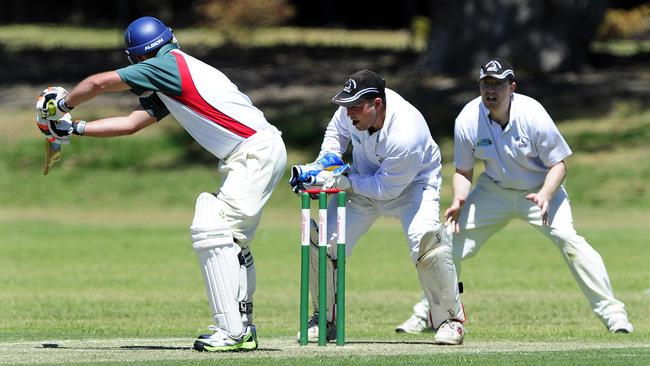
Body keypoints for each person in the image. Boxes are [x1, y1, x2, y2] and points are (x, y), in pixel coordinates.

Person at [39, 16, 287, 351]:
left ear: (138, 57)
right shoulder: (173, 72)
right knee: (229, 236)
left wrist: (61, 105)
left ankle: (232, 332)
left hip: (253, 152)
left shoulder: (166, 67)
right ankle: (241, 327)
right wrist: (73, 128)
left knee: (210, 225)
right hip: (258, 151)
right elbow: (131, 124)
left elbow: (98, 83)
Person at [395, 58, 633, 335]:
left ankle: (614, 316)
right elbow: (463, 170)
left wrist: (545, 194)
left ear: (512, 87)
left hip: (540, 191)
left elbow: (559, 165)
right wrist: (459, 200)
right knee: (447, 242)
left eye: (497, 84)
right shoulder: (468, 119)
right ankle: (430, 314)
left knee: (570, 241)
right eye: (485, 84)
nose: (490, 90)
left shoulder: (533, 115)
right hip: (493, 191)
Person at [291, 70, 466, 345]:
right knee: (323, 242)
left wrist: (344, 181)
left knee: (427, 243)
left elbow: (388, 189)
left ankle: (450, 320)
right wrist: (321, 167)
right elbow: (336, 133)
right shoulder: (352, 110)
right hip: (361, 183)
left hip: (412, 186)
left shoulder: (405, 132)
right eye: (347, 107)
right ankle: (326, 320)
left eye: (357, 108)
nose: (350, 114)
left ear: (377, 104)